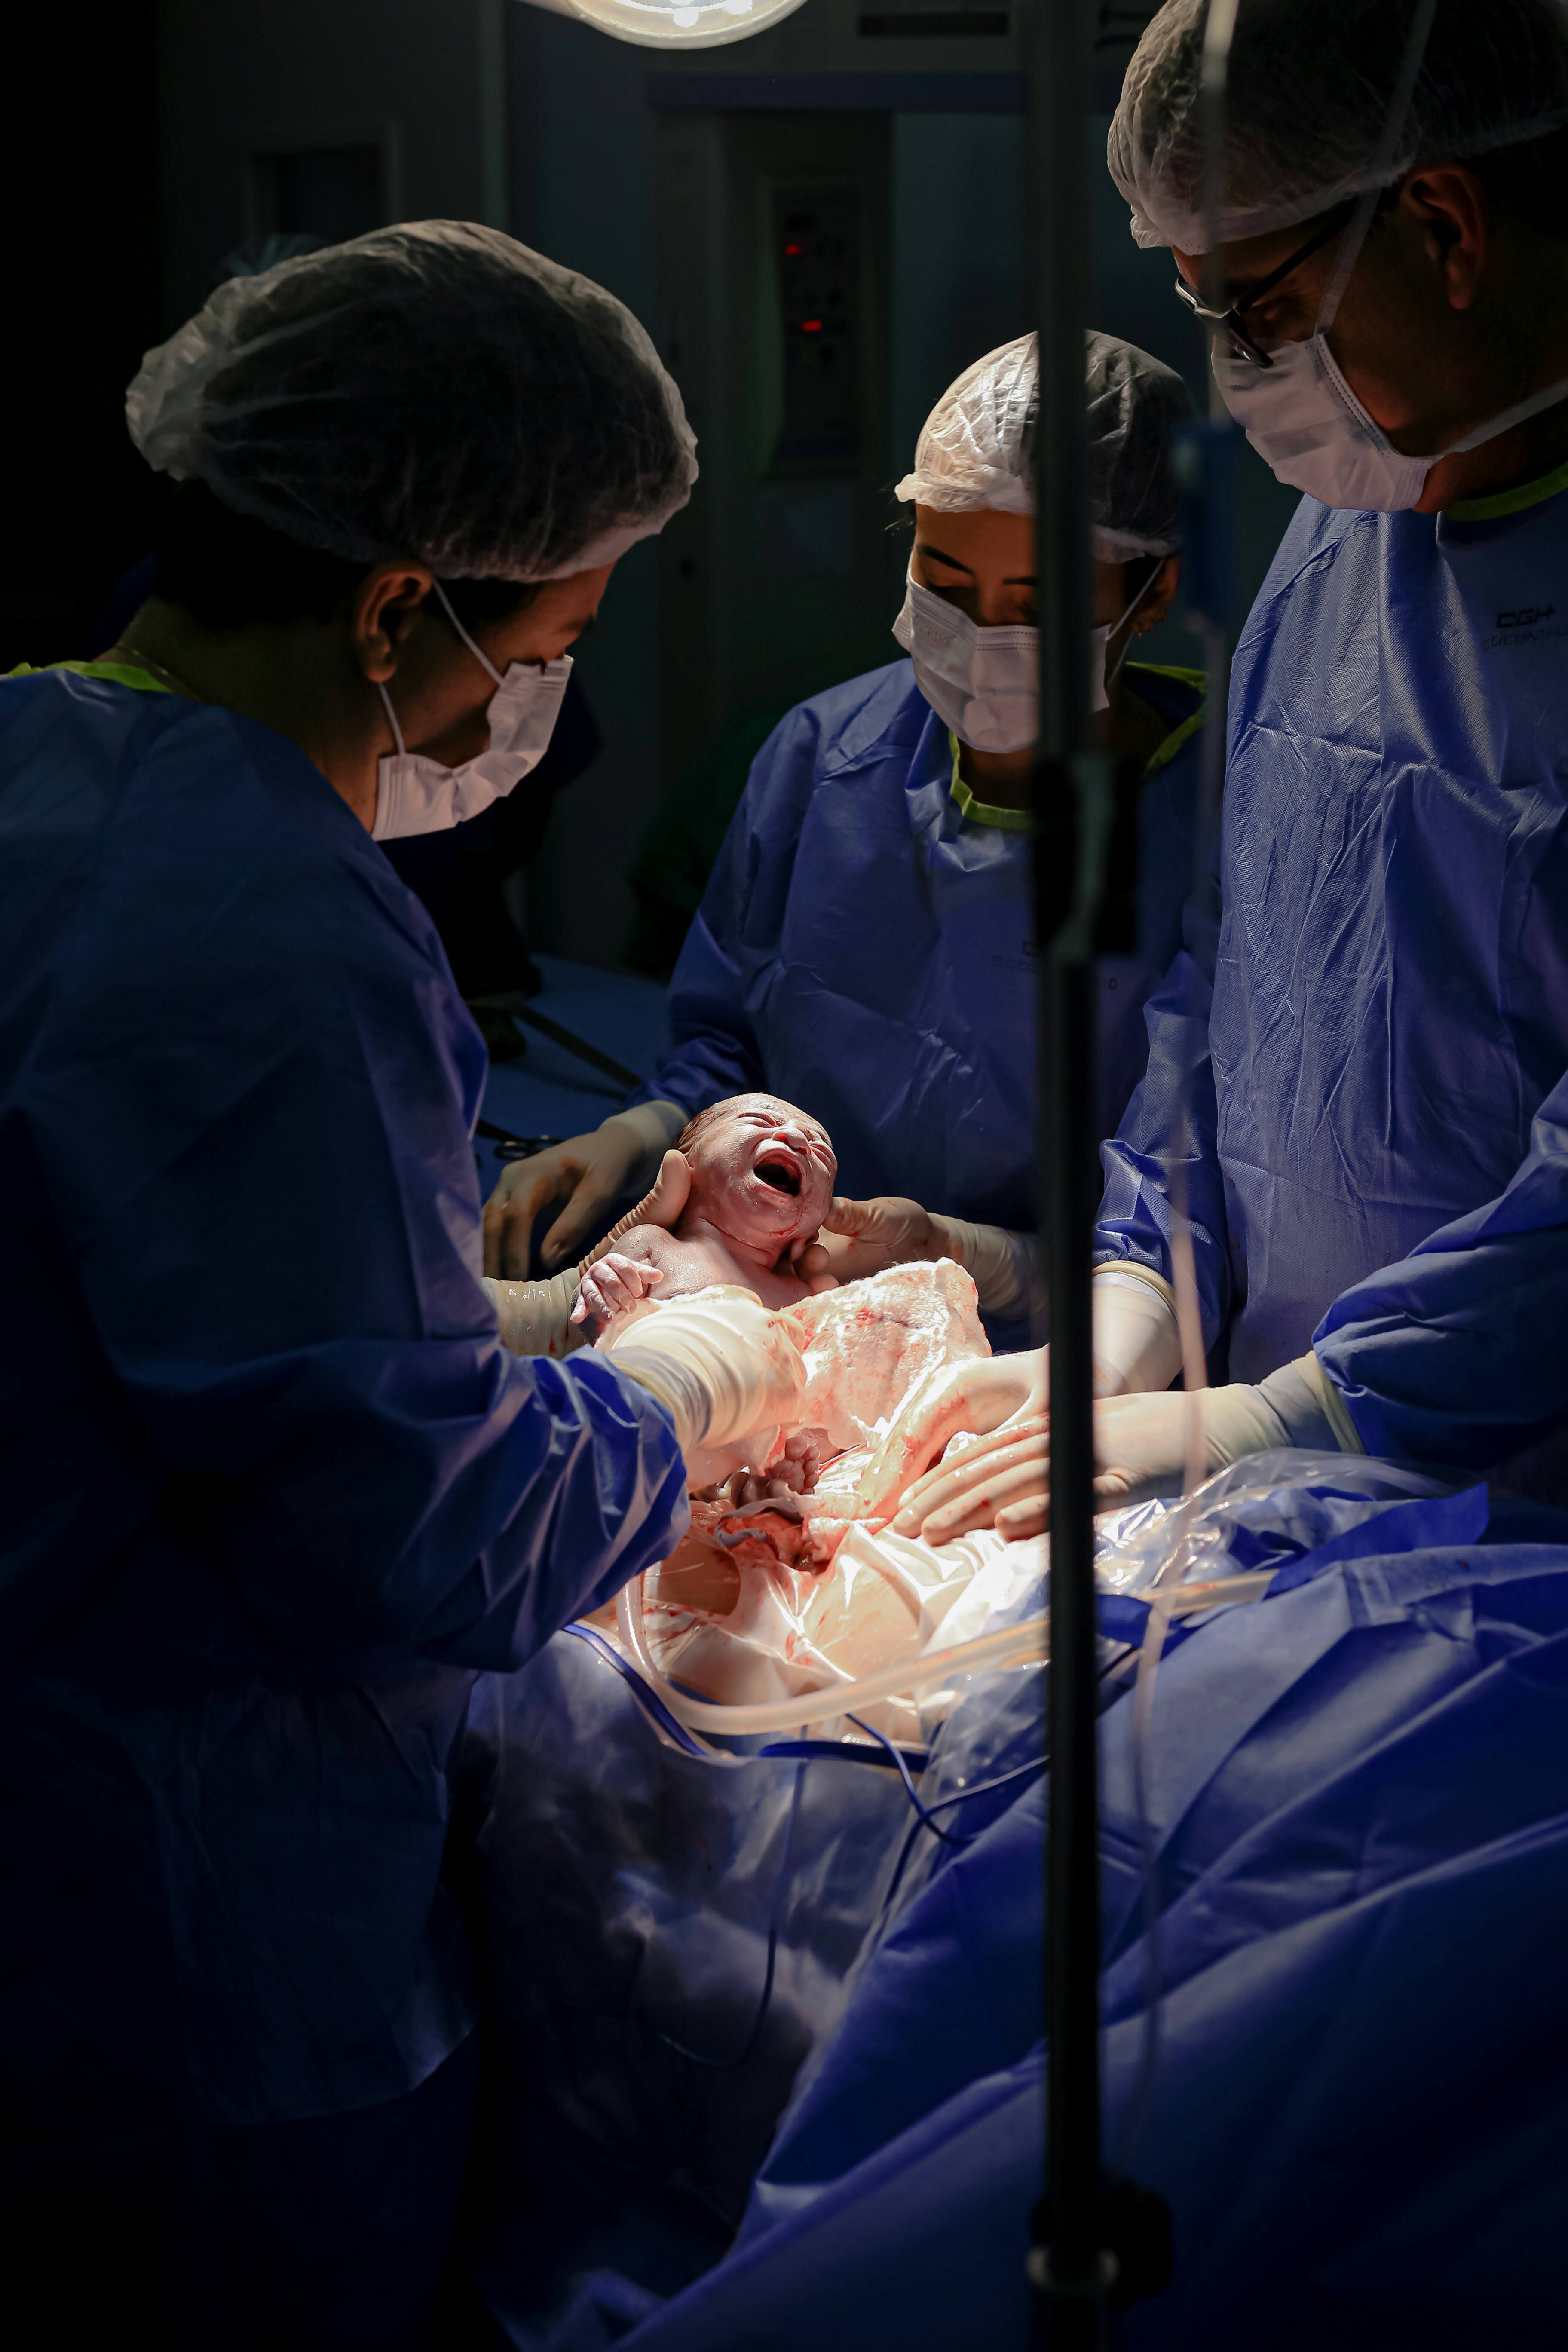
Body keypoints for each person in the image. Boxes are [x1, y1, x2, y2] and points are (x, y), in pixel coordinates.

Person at [0, 222, 808, 2348]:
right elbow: (417, 1531)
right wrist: (690, 1381)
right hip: (180, 1951)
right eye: (546, 644)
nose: (530, 710)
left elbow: (147, 1306)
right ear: (391, 606)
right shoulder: (268, 915)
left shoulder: (35, 766)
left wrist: (528, 1320)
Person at [881, 0, 1568, 1541]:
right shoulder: (1344, 533)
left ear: (1444, 228)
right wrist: (1132, 1315)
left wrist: (1290, 1414)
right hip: (1289, 1499)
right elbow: (1238, 981)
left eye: (1255, 310)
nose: (1237, 372)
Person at [483, 332, 1202, 1351]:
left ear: (1153, 594)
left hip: (1069, 1357)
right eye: (944, 583)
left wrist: (979, 1260)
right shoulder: (829, 755)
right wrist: (640, 1136)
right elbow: (730, 1034)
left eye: (1035, 606)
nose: (979, 636)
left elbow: (1202, 1200)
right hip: (773, 1313)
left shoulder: (1219, 820)